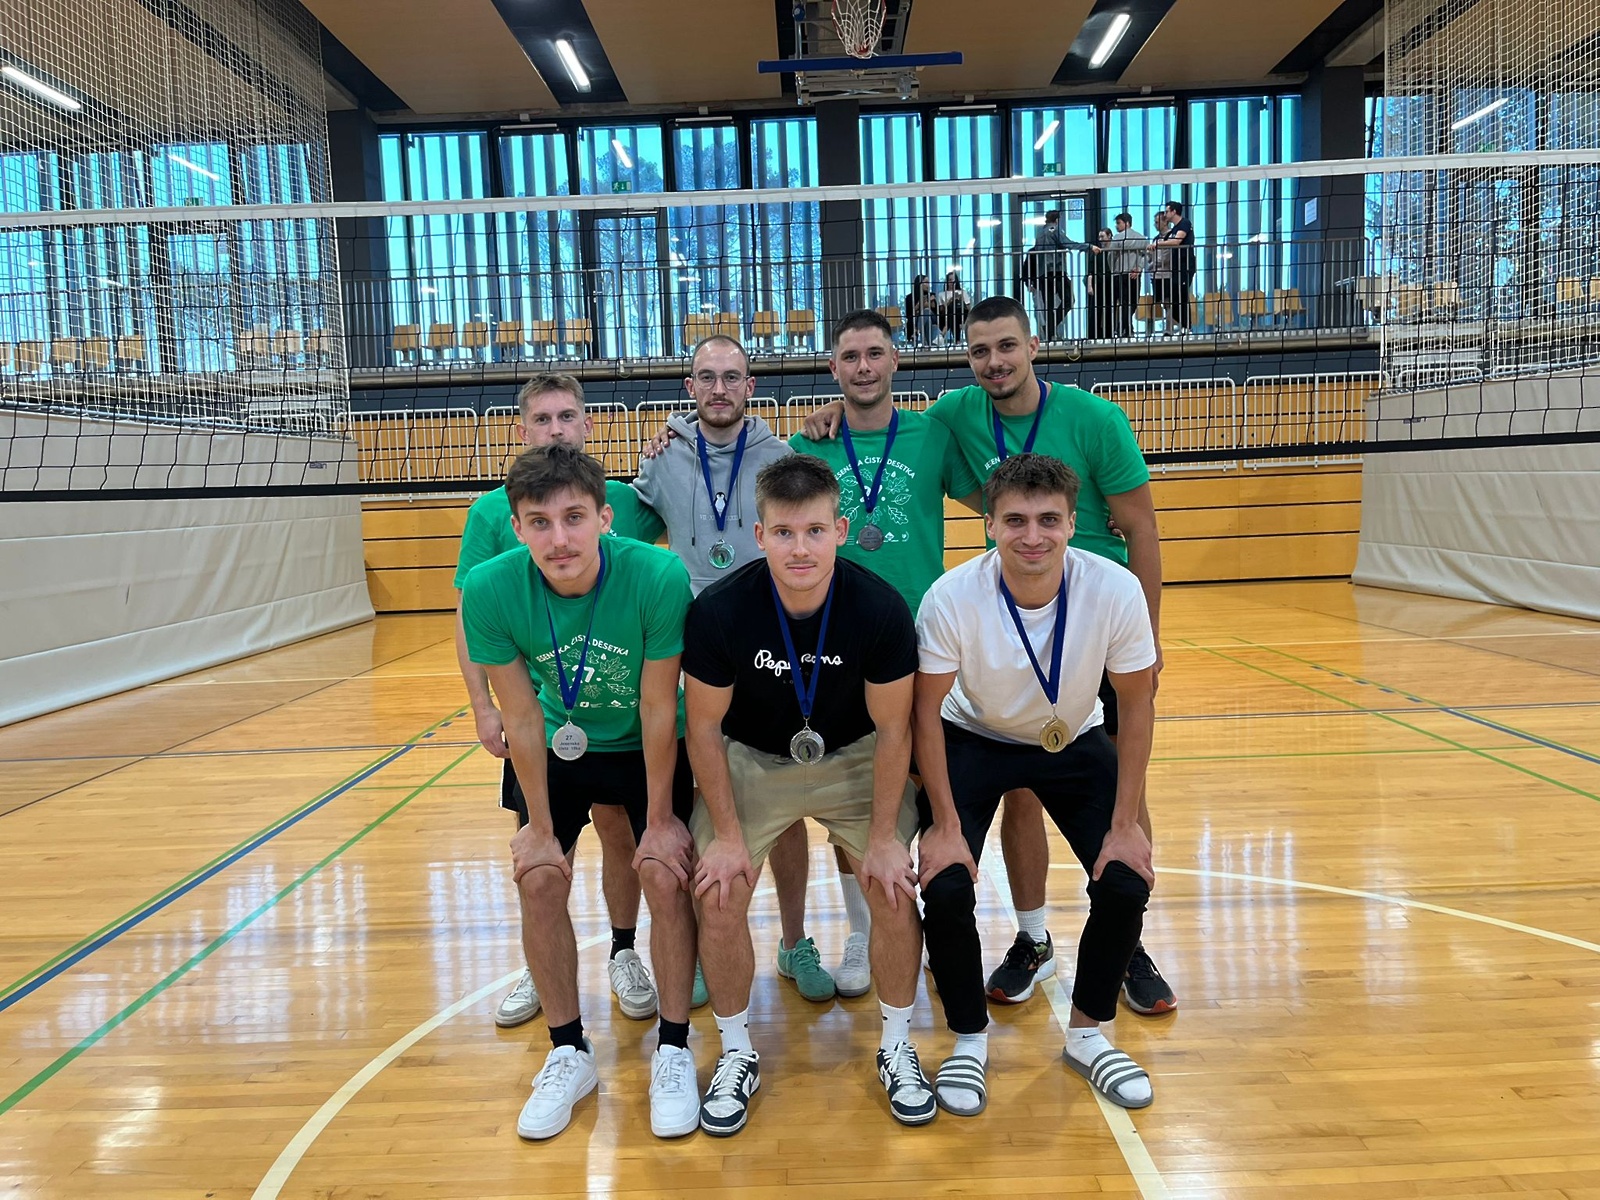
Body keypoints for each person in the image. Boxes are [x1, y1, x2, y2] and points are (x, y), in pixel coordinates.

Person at [803, 295, 1174, 1015]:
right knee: (1017, 781)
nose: (995, 362)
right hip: (1005, 616)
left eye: (1007, 346)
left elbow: (1142, 527)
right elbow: (883, 428)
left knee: (1120, 786)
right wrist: (831, 415)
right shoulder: (953, 416)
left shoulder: (1096, 420)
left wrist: (1148, 640)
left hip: (1094, 622)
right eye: (980, 351)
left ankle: (1129, 942)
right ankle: (1032, 937)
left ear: (1033, 345)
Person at [684, 454, 932, 1135]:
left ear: (840, 531)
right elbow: (702, 730)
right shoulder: (720, 611)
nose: (801, 549)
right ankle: (736, 1051)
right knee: (720, 891)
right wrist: (726, 837)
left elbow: (894, 730)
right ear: (759, 535)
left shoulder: (879, 608)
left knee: (890, 887)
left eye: (815, 531)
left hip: (853, 757)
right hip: (753, 760)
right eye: (785, 533)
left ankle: (897, 1044)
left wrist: (882, 841)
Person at [460, 444, 701, 1141]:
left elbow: (658, 705)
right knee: (538, 878)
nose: (559, 538)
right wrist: (540, 829)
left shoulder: (656, 575)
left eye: (574, 518)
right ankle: (568, 1050)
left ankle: (675, 1048)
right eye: (539, 522)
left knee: (663, 871)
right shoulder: (490, 589)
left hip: (645, 741)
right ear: (516, 527)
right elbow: (521, 716)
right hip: (557, 743)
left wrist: (661, 819)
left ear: (605, 518)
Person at [914, 453, 1158, 1116]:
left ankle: (1088, 1034)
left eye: (1049, 520)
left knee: (1126, 876)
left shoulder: (1114, 589)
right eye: (1016, 520)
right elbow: (923, 712)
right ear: (989, 524)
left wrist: (1126, 824)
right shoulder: (952, 598)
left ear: (1073, 524)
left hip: (1075, 738)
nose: (1033, 535)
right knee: (945, 881)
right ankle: (969, 1039)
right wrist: (943, 826)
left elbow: (1136, 702)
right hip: (974, 736)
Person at [452, 374, 668, 1033]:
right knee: (542, 854)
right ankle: (543, 965)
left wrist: (674, 445)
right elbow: (470, 615)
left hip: (625, 715)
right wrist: (482, 705)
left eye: (566, 416)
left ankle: (625, 950)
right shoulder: (492, 516)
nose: (555, 428)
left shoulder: (626, 500)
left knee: (623, 833)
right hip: (548, 714)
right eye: (542, 419)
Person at [634, 334, 841, 1004]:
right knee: (705, 799)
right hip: (696, 648)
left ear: (751, 386)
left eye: (732, 377)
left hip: (771, 648)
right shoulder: (662, 458)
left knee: (786, 800)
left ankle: (794, 940)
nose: (719, 388)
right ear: (689, 387)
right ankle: (703, 946)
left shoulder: (781, 458)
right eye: (707, 377)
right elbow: (620, 533)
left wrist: (834, 410)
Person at [787, 310, 981, 995]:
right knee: (855, 793)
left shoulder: (934, 436)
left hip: (926, 638)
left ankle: (937, 926)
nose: (863, 367)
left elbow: (998, 498)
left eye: (874, 354)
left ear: (895, 361)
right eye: (850, 356)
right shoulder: (808, 445)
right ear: (833, 368)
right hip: (839, 641)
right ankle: (865, 932)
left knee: (933, 785)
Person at [1023, 209, 1097, 339]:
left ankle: (1050, 333)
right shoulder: (1055, 230)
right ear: (1057, 220)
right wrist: (1089, 247)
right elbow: (1069, 244)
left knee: (1048, 306)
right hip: (1057, 272)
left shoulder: (1039, 234)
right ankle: (1050, 328)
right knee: (1069, 300)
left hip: (1043, 275)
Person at [1153, 201, 1196, 333]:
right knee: (1175, 296)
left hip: (1185, 264)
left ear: (1174, 212)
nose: (1165, 214)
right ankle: (1180, 324)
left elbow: (1177, 241)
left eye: (1167, 211)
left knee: (1182, 295)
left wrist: (1158, 244)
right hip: (1176, 266)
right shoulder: (1174, 229)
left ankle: (1186, 327)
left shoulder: (1184, 223)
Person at [1106, 213, 1145, 338]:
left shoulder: (1117, 238)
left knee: (1123, 302)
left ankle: (1123, 328)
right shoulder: (1141, 238)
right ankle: (1126, 328)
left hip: (1120, 274)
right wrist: (1139, 268)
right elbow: (1146, 255)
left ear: (1127, 223)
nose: (1116, 226)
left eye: (1118, 223)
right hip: (1135, 274)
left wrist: (1113, 270)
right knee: (1133, 302)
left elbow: (1110, 256)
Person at [1086, 227, 1116, 340]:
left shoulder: (1114, 251)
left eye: (1102, 236)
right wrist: (1090, 286)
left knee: (1109, 309)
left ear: (1109, 236)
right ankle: (1093, 336)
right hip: (1098, 284)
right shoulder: (1097, 252)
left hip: (1110, 284)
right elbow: (1090, 271)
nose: (1100, 239)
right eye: (1099, 237)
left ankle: (1109, 334)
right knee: (1095, 309)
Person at [903, 273, 941, 346]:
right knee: (927, 319)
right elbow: (909, 315)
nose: (928, 285)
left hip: (931, 317)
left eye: (928, 283)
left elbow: (935, 310)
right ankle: (927, 344)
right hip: (917, 319)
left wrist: (920, 307)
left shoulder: (931, 295)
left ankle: (917, 331)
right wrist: (922, 305)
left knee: (926, 311)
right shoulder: (910, 297)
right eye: (926, 282)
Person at [939, 271, 970, 342]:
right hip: (948, 315)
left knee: (954, 313)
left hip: (961, 313)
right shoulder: (942, 294)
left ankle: (944, 333)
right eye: (950, 280)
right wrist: (950, 300)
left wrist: (961, 299)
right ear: (947, 282)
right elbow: (941, 311)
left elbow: (968, 308)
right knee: (952, 312)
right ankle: (957, 340)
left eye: (954, 280)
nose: (952, 282)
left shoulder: (962, 292)